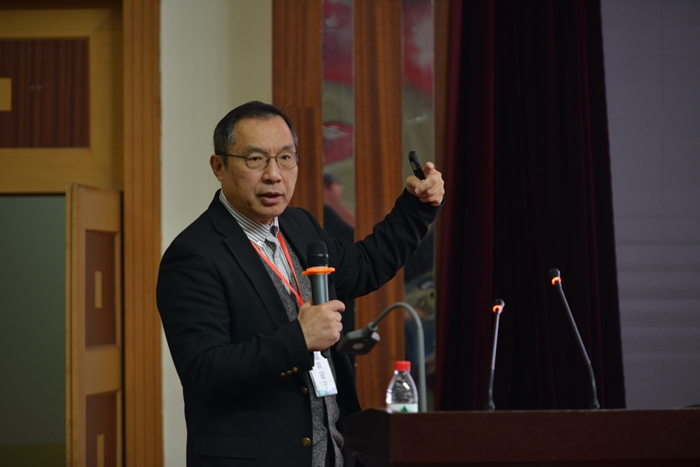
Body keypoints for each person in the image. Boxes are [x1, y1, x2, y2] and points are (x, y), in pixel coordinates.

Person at [156, 101, 444, 466]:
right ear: (219, 166)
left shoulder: (299, 225)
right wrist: (299, 338)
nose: (274, 175)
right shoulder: (194, 255)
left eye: (285, 158)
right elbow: (203, 370)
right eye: (255, 159)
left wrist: (416, 208)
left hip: (331, 453)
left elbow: (365, 265)